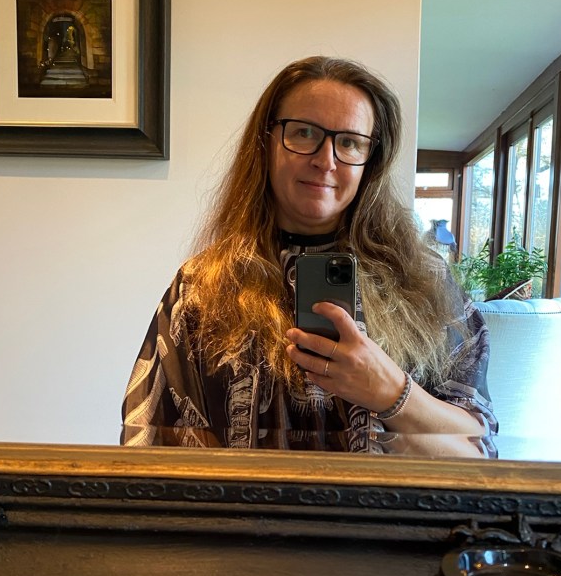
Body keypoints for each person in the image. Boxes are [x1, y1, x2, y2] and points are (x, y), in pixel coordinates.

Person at [121, 56, 497, 456]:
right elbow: (148, 443)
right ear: (265, 142)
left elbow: (479, 454)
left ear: (371, 161)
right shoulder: (201, 288)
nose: (326, 160)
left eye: (349, 142)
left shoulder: (425, 284)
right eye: (304, 133)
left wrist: (392, 393)